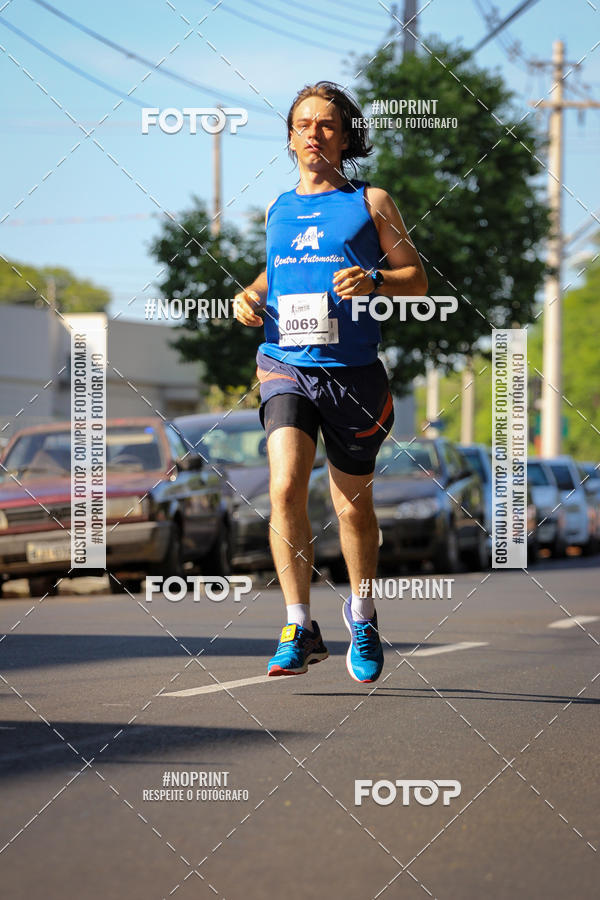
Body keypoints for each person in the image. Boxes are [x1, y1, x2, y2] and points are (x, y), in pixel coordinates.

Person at [234, 81, 427, 682]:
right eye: (302, 124)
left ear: (345, 138)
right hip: (285, 362)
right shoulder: (277, 208)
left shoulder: (371, 200)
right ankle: (298, 625)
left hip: (353, 375)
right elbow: (275, 276)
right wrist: (250, 295)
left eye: (325, 125)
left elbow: (415, 278)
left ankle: (363, 616)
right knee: (286, 486)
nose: (313, 134)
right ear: (289, 138)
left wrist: (371, 282)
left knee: (351, 505)